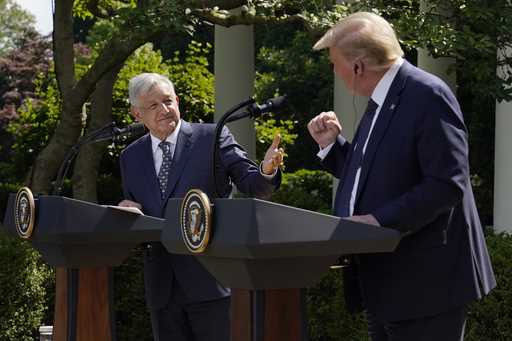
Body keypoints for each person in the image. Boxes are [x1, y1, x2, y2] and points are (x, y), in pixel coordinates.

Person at [307, 12, 495, 341]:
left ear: (358, 67)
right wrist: (332, 148)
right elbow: (380, 173)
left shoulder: (427, 95)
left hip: (426, 285)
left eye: (334, 63)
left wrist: (378, 221)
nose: (334, 72)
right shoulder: (382, 98)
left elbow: (447, 183)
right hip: (387, 281)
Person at [119, 73, 283, 341]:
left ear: (178, 101)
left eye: (168, 101)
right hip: (162, 287)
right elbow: (138, 212)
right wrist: (125, 212)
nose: (164, 110)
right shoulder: (130, 157)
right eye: (153, 106)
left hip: (212, 280)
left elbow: (253, 184)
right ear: (137, 114)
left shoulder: (211, 137)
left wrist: (266, 170)